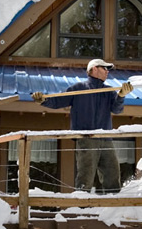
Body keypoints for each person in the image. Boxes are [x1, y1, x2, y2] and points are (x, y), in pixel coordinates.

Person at [32, 59, 134, 193]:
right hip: (86, 138)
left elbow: (117, 109)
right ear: (94, 69)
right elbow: (58, 101)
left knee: (112, 175)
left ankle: (112, 208)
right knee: (85, 177)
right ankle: (80, 209)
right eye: (104, 68)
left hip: (106, 138)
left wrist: (121, 96)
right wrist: (43, 100)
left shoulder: (109, 91)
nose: (107, 72)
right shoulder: (78, 89)